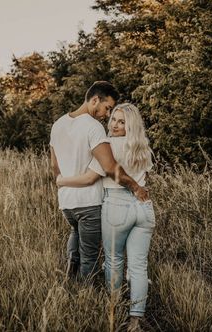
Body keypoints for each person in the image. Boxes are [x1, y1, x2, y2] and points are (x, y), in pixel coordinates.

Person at [57, 103, 155, 331]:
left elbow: (90, 178)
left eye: (122, 122)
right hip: (144, 208)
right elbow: (144, 179)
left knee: (114, 261)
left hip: (116, 205)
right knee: (139, 266)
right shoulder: (143, 147)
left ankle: (114, 310)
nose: (116, 125)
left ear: (130, 125)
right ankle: (136, 321)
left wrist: (61, 180)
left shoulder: (108, 145)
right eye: (114, 120)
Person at [50, 82, 149, 282]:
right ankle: (87, 295)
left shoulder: (58, 124)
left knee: (75, 235)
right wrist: (136, 187)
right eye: (107, 108)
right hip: (89, 203)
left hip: (67, 202)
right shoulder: (93, 127)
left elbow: (55, 167)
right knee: (90, 256)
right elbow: (110, 167)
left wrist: (62, 181)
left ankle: (70, 281)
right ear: (95, 100)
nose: (107, 114)